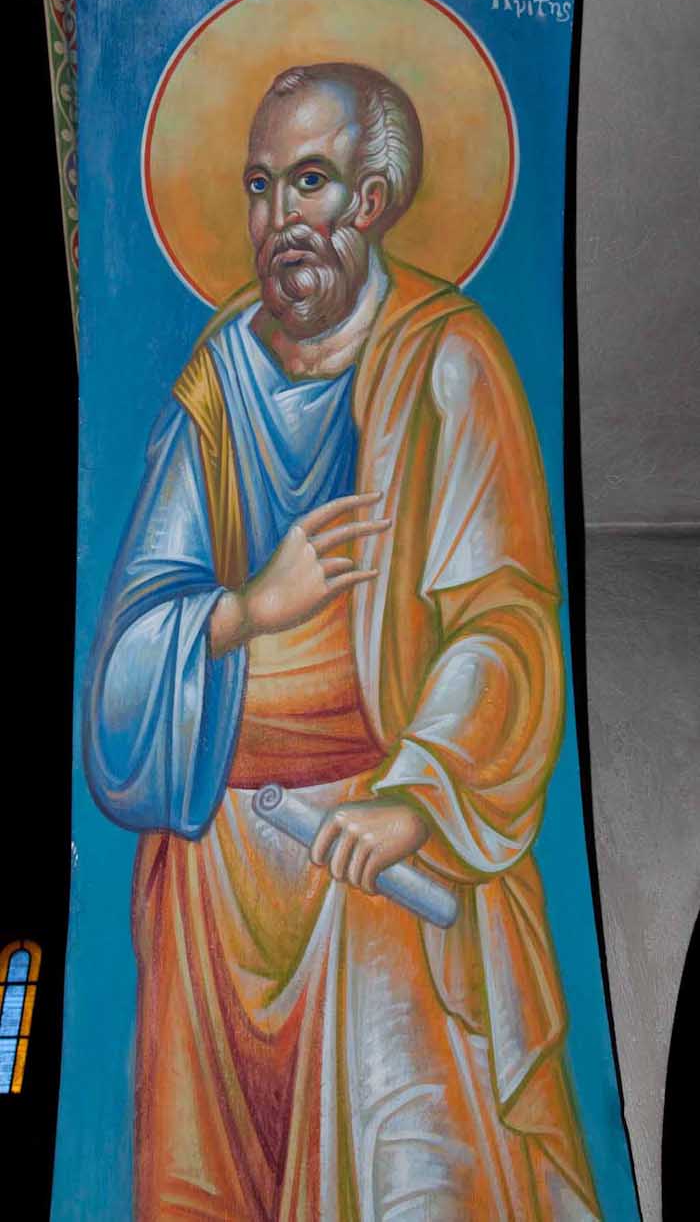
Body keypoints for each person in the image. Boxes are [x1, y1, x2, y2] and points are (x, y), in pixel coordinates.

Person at [85, 62, 601, 1220]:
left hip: (372, 861)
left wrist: (413, 798)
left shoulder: (445, 361)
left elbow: (503, 627)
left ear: (371, 199)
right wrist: (250, 607)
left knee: (413, 1176)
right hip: (217, 883)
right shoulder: (218, 381)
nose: (279, 218)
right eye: (259, 186)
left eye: (308, 181)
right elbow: (120, 684)